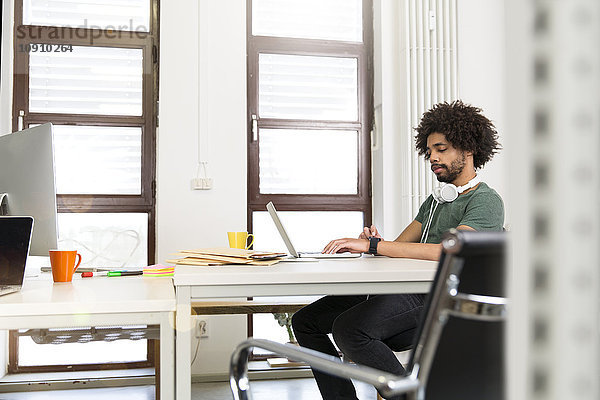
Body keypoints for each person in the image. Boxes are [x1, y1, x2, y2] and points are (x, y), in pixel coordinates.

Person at [291, 100, 504, 400]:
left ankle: (409, 395)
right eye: (429, 151)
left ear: (468, 150)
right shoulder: (434, 202)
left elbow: (451, 251)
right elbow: (402, 246)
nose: (432, 158)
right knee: (305, 321)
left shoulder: (486, 201)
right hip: (400, 289)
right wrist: (376, 244)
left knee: (350, 329)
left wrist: (375, 245)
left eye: (441, 149)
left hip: (433, 296)